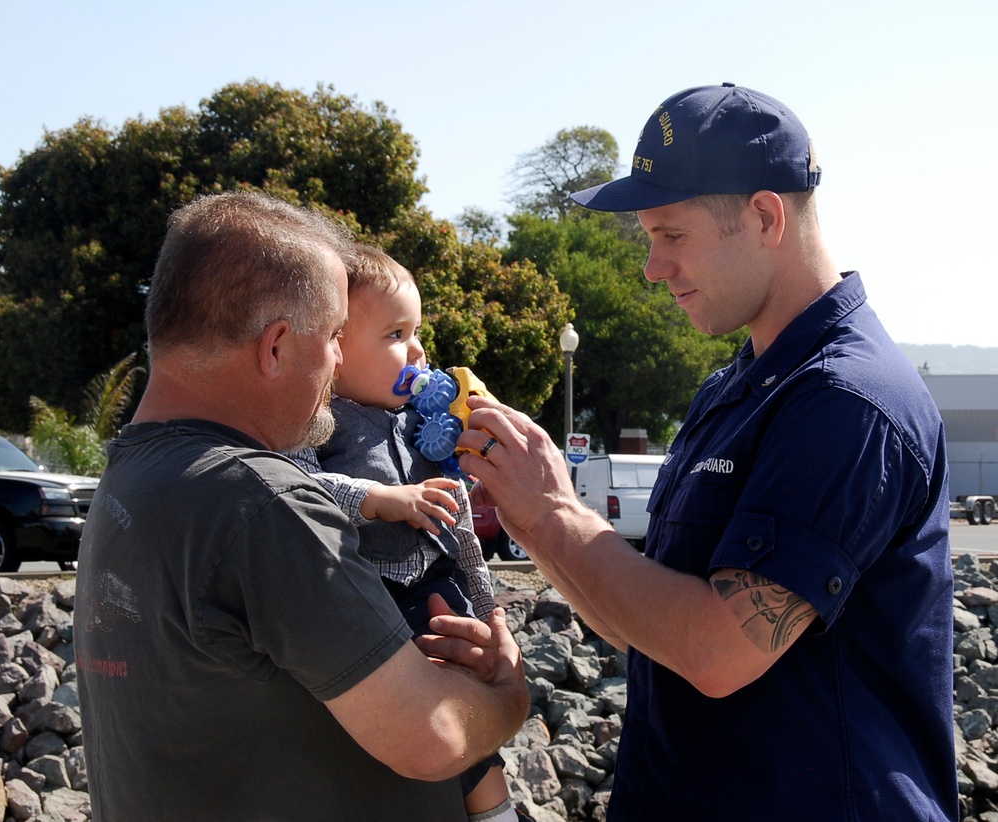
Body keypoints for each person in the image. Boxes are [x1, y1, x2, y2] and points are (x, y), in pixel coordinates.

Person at [456, 84, 957, 820]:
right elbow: (646, 617)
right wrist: (529, 513)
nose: (653, 268)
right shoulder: (737, 389)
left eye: (672, 235)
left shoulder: (846, 402)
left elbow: (720, 652)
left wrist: (557, 512)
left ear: (764, 216)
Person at [73, 192, 529, 821]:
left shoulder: (133, 478)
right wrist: (508, 692)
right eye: (336, 335)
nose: (340, 360)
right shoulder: (260, 501)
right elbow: (434, 736)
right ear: (277, 347)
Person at [289, 245, 515, 821]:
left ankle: (496, 810)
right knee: (422, 718)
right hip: (378, 596)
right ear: (334, 349)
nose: (418, 352)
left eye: (418, 333)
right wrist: (379, 498)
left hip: (439, 581)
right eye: (395, 335)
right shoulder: (316, 426)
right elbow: (304, 491)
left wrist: (490, 608)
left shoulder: (422, 428)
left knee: (474, 723)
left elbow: (458, 521)